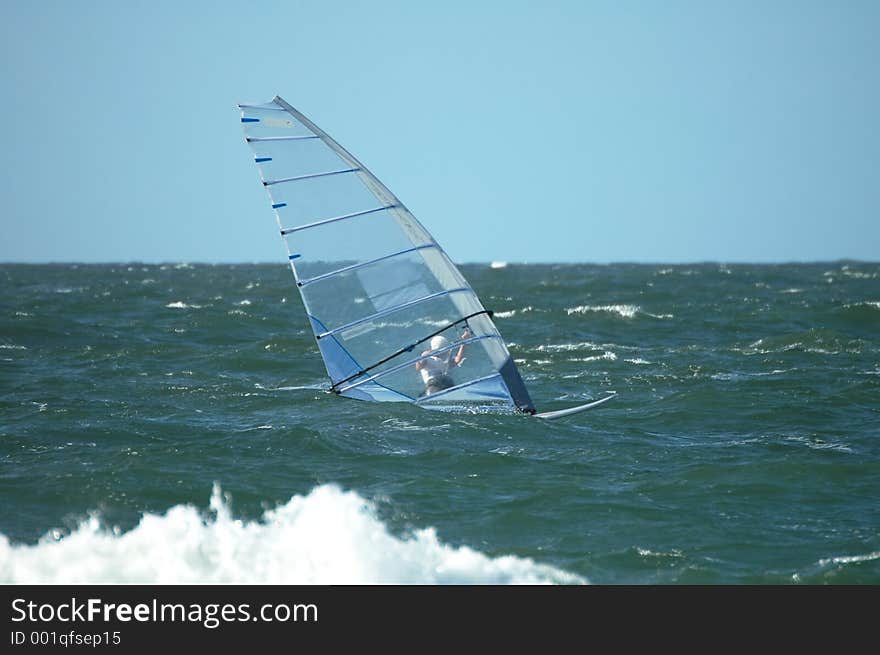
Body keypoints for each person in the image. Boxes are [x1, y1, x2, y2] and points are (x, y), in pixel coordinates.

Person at [416, 328, 470, 396]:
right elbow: (418, 367)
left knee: (455, 393)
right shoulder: (427, 358)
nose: (442, 354)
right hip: (433, 383)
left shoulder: (447, 356)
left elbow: (457, 360)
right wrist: (423, 357)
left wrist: (464, 342)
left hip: (447, 381)